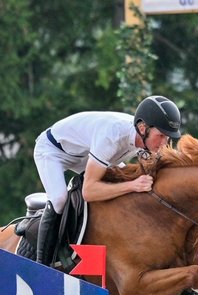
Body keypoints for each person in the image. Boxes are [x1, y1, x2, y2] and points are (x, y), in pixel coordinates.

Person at [32, 95, 183, 266]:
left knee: (120, 184)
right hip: (53, 150)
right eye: (161, 136)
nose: (164, 143)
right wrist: (132, 185)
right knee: (59, 198)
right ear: (142, 128)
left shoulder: (143, 138)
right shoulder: (112, 137)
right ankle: (41, 265)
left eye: (168, 138)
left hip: (87, 152)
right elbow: (88, 191)